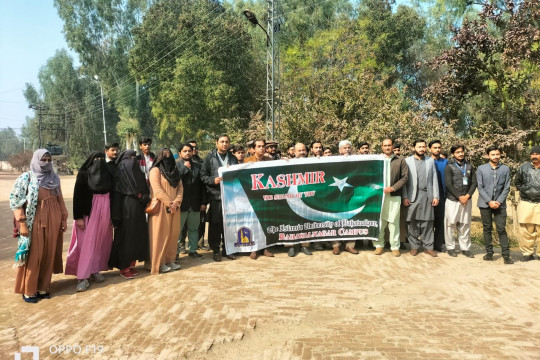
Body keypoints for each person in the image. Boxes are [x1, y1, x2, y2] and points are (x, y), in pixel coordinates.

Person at [10, 149, 68, 303]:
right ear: (36, 159)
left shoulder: (54, 178)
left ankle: (43, 288)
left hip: (53, 218)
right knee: (35, 255)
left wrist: (63, 218)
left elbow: (60, 199)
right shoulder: (26, 178)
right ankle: (29, 290)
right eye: (44, 160)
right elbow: (16, 202)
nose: (47, 163)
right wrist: (21, 223)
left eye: (49, 160)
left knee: (49, 253)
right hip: (34, 219)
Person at [65, 152, 114, 292]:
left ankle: (94, 270)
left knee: (100, 244)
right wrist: (78, 217)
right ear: (91, 160)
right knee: (87, 245)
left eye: (102, 159)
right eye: (96, 159)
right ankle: (82, 277)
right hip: (88, 213)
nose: (99, 161)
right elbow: (78, 196)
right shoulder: (83, 173)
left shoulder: (107, 174)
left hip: (104, 213)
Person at [108, 150, 150, 279]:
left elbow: (145, 190)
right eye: (129, 158)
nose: (132, 160)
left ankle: (132, 265)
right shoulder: (118, 175)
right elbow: (115, 197)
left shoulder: (139, 173)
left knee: (137, 237)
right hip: (125, 210)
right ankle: (123, 267)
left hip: (138, 209)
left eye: (134, 157)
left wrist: (144, 197)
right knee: (126, 239)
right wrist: (116, 217)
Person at [201, 134, 239, 261]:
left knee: (229, 225)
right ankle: (216, 250)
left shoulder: (233, 159)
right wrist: (213, 180)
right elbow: (203, 176)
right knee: (215, 224)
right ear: (216, 143)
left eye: (226, 142)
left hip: (230, 197)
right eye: (222, 142)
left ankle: (227, 250)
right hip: (215, 196)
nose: (224, 144)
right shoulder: (209, 158)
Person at [147, 148, 183, 274]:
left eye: (169, 156)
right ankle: (159, 263)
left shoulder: (175, 171)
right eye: (165, 156)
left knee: (173, 234)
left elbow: (180, 187)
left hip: (175, 208)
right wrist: (169, 203)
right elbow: (157, 190)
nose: (167, 158)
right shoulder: (155, 171)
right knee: (161, 235)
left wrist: (177, 202)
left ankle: (170, 260)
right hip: (161, 208)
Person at [402, 140, 439, 257]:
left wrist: (436, 196)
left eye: (423, 147)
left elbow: (434, 179)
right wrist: (405, 196)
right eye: (419, 147)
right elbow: (404, 180)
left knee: (427, 222)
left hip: (427, 195)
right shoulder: (407, 161)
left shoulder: (430, 161)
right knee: (411, 222)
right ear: (414, 148)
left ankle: (428, 247)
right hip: (412, 196)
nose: (422, 149)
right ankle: (414, 246)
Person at [476, 146, 513, 264]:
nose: (496, 156)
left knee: (501, 229)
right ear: (488, 156)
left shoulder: (505, 169)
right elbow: (480, 187)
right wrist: (489, 201)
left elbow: (507, 187)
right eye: (493, 154)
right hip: (485, 204)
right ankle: (489, 253)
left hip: (500, 204)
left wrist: (499, 201)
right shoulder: (481, 169)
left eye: (497, 154)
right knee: (487, 228)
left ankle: (506, 255)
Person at [373, 139, 409, 257]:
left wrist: (393, 188)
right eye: (385, 145)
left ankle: (395, 246)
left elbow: (404, 178)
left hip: (394, 195)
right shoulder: (377, 160)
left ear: (393, 146)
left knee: (393, 222)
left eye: (389, 145)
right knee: (380, 221)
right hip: (379, 196)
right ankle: (379, 245)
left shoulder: (400, 160)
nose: (387, 147)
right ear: (381, 147)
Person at [444, 145, 477, 258]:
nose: (461, 154)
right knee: (450, 224)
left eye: (462, 152)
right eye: (458, 152)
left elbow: (474, 183)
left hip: (466, 201)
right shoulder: (449, 166)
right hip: (453, 200)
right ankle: (451, 247)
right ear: (453, 154)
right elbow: (448, 184)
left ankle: (465, 248)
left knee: (465, 224)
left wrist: (467, 196)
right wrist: (459, 197)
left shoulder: (469, 166)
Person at [244, 139, 275, 259]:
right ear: (254, 149)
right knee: (253, 222)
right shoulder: (246, 161)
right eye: (259, 146)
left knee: (266, 222)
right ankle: (253, 249)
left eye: (263, 146)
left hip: (266, 196)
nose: (261, 148)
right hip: (251, 197)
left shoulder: (271, 161)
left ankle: (266, 248)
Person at [176, 143, 207, 260]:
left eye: (189, 150)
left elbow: (202, 187)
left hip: (195, 203)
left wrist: (203, 202)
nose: (187, 153)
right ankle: (175, 252)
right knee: (177, 230)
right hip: (180, 204)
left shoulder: (199, 166)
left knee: (194, 228)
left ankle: (193, 250)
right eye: (185, 151)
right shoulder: (175, 166)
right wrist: (185, 168)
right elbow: (174, 182)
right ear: (180, 153)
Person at [285, 143, 313, 257]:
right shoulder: (288, 163)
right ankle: (291, 246)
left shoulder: (312, 163)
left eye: (303, 150)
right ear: (294, 152)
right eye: (299, 151)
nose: (301, 152)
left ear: (306, 151)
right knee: (291, 222)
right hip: (292, 198)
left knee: (305, 221)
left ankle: (304, 246)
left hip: (307, 197)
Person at [515, 146, 540, 262]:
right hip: (526, 202)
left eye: (537, 154)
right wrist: (525, 190)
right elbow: (517, 183)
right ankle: (527, 253)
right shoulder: (523, 168)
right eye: (532, 154)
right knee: (526, 229)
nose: (534, 156)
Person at [429, 140, 448, 252]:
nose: (437, 149)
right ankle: (428, 243)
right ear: (430, 149)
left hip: (442, 195)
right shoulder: (426, 161)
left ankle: (438, 244)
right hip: (429, 195)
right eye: (434, 147)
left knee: (440, 221)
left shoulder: (446, 162)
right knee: (429, 220)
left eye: (439, 147)